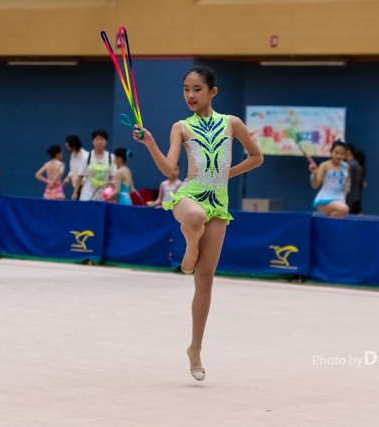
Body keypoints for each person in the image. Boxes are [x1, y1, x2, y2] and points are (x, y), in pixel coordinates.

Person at [131, 65, 263, 381]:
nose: (190, 95)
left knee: (205, 281)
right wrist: (150, 143)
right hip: (189, 195)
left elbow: (256, 157)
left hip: (219, 203)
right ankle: (190, 247)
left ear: (212, 91)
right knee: (195, 217)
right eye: (186, 89)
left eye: (197, 89)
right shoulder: (181, 127)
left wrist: (225, 175)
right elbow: (169, 170)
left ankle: (195, 350)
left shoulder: (232, 123)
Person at [310, 139, 350, 218]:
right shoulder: (324, 165)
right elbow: (315, 185)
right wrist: (314, 174)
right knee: (344, 209)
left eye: (342, 154)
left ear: (345, 155)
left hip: (340, 200)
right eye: (336, 153)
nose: (339, 156)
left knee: (340, 216)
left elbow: (347, 185)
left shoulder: (346, 166)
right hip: (324, 200)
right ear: (331, 152)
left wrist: (344, 198)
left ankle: (327, 223)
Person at [73, 130, 117, 201]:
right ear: (93, 141)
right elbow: (80, 176)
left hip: (104, 196)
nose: (99, 142)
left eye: (102, 139)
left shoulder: (111, 157)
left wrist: (112, 191)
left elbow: (113, 177)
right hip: (87, 195)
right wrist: (75, 192)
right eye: (97, 139)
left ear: (106, 141)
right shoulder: (86, 156)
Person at [63, 135, 89, 199]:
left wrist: (76, 191)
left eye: (68, 146)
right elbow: (73, 168)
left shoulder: (85, 155)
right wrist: (68, 177)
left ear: (74, 146)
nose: (67, 149)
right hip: (75, 184)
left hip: (83, 185)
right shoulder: (73, 154)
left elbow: (83, 172)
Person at [344, 142, 363, 214]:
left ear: (348, 151)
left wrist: (345, 194)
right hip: (355, 196)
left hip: (350, 197)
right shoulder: (356, 164)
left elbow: (348, 181)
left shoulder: (351, 165)